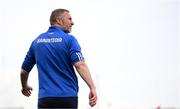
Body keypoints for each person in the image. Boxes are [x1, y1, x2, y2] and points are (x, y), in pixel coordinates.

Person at [20, 8, 97, 109]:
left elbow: (24, 71)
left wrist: (24, 86)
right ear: (59, 20)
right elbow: (80, 65)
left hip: (45, 99)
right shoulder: (69, 40)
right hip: (67, 97)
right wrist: (92, 87)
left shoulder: (36, 42)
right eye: (69, 19)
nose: (72, 23)